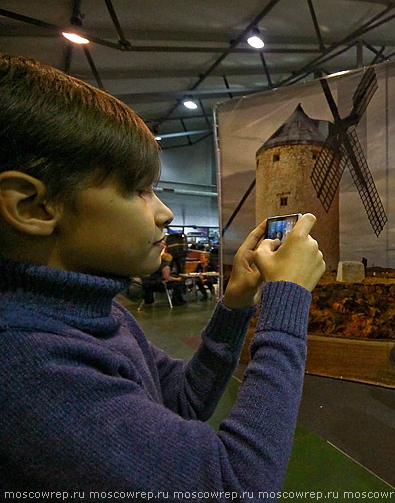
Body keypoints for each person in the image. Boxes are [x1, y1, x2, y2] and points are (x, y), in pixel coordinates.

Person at [0, 53, 326, 496]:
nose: (165, 213)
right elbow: (235, 485)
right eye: (139, 190)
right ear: (33, 206)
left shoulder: (98, 313)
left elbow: (182, 398)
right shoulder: (28, 364)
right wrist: (286, 298)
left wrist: (233, 306)